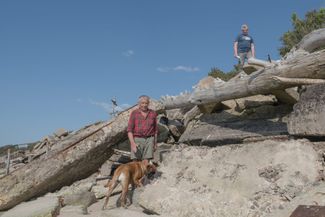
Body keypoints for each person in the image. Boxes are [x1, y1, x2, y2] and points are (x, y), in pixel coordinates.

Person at [127, 95, 158, 167]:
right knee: (135, 162)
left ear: (148, 103)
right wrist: (132, 143)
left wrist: (155, 143)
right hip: (137, 139)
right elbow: (129, 130)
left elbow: (155, 130)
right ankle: (136, 178)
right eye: (142, 103)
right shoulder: (134, 113)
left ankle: (144, 178)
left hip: (149, 139)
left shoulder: (153, 113)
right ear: (139, 104)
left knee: (146, 162)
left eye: (146, 103)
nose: (144, 105)